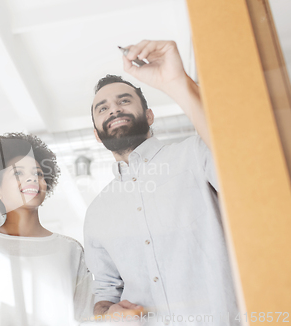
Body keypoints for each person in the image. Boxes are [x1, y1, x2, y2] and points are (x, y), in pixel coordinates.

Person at [84, 40, 239, 325]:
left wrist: (175, 81)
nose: (114, 110)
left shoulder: (194, 154)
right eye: (102, 108)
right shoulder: (96, 213)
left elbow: (239, 163)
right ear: (97, 134)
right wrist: (106, 313)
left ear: (150, 115)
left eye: (124, 100)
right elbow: (105, 292)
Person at [0, 133, 93, 326]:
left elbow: (86, 318)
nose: (32, 178)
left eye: (38, 173)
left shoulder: (71, 251)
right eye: (18, 173)